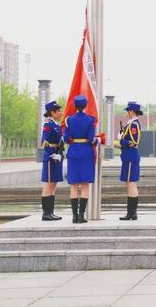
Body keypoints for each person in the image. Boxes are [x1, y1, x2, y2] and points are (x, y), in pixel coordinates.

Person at [63, 95, 100, 224]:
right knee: (84, 185)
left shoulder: (70, 120)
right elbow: (91, 138)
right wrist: (98, 140)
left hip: (73, 152)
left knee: (73, 185)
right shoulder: (90, 120)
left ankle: (74, 216)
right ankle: (81, 215)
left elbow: (66, 138)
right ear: (85, 106)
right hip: (86, 153)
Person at [117, 102, 143, 221]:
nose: (127, 113)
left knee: (131, 183)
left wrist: (121, 140)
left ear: (131, 111)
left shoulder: (134, 124)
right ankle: (131, 213)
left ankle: (132, 213)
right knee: (129, 183)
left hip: (131, 156)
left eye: (128, 110)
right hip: (128, 156)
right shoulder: (131, 124)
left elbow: (134, 142)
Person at [40, 100, 64, 221]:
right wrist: (52, 154)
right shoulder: (48, 124)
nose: (60, 113)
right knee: (49, 184)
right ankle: (46, 213)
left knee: (54, 184)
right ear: (52, 112)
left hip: (57, 156)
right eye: (58, 111)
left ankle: (51, 212)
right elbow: (44, 141)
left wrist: (59, 153)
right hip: (50, 158)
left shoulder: (56, 125)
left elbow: (60, 141)